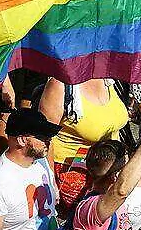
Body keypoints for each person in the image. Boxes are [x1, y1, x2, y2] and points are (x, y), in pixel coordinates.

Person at [40, 76, 129, 207]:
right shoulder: (60, 84)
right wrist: (50, 181)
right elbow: (44, 137)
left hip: (110, 173)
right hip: (75, 177)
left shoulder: (108, 78)